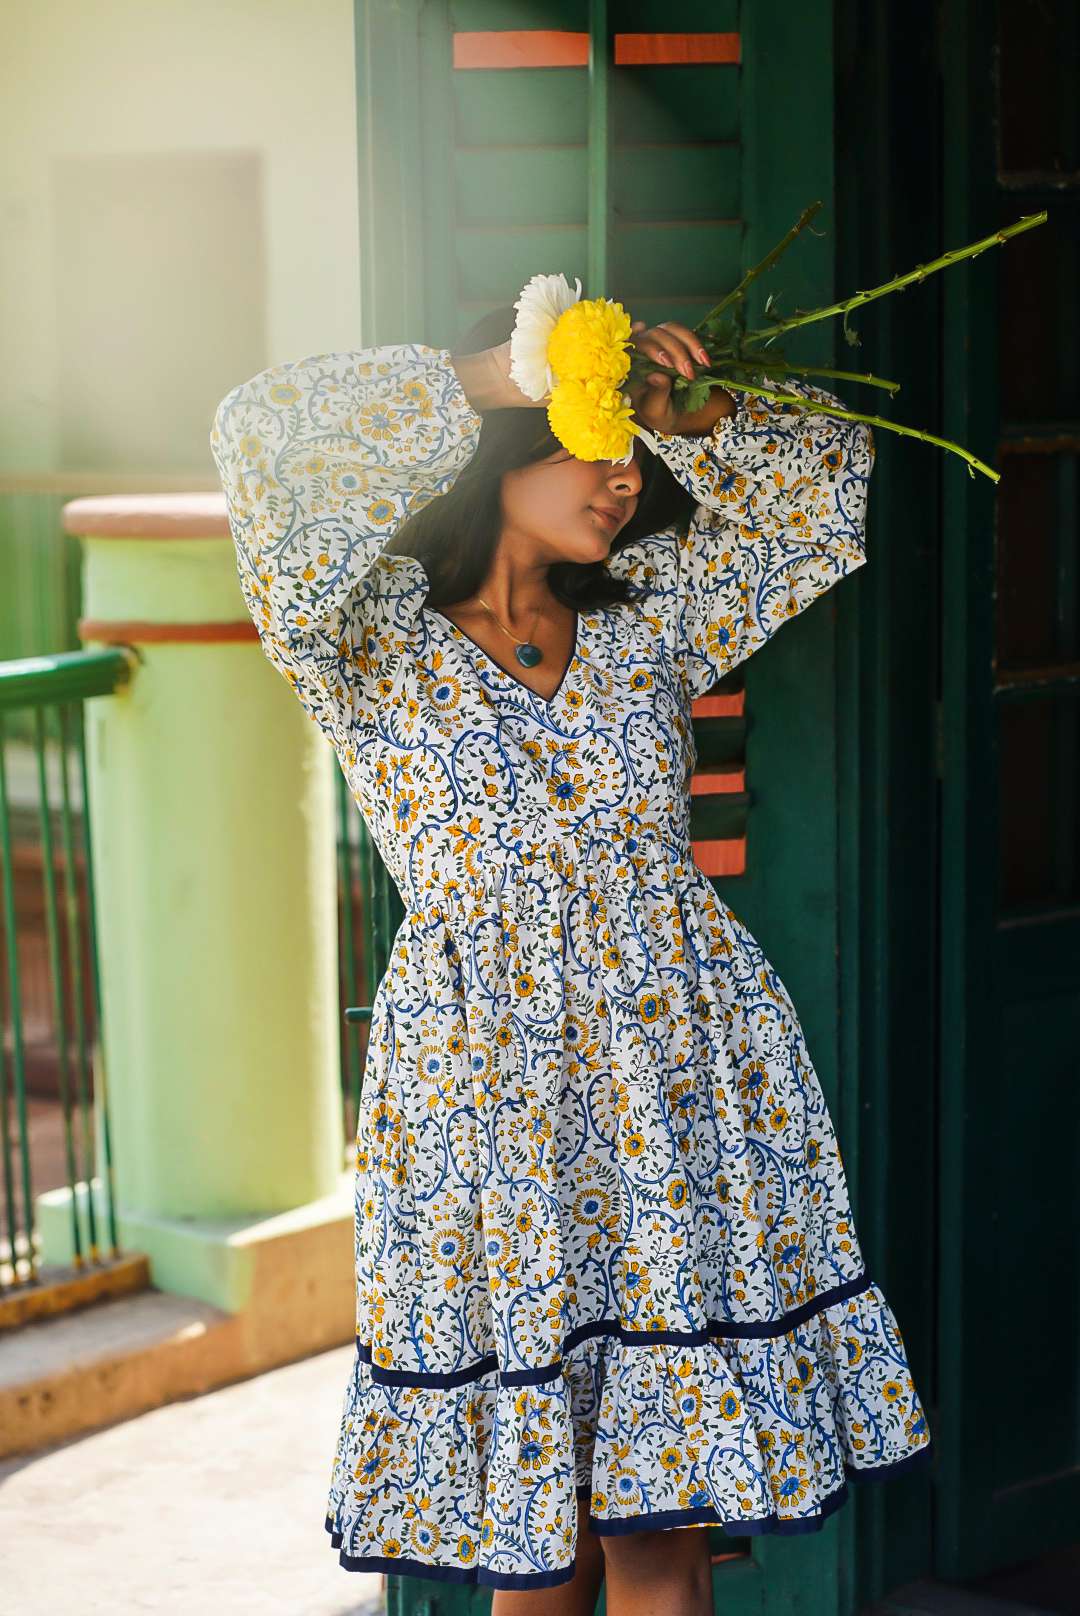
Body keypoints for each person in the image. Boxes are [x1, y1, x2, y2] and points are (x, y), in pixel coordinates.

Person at [210, 305, 932, 1616]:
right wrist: (507, 371)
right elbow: (261, 436)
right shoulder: (357, 636)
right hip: (487, 1094)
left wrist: (690, 412)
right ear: (499, 446)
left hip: (679, 1077)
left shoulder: (652, 616)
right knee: (537, 1537)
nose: (625, 478)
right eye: (589, 445)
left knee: (659, 1534)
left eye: (629, 455)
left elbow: (827, 494)